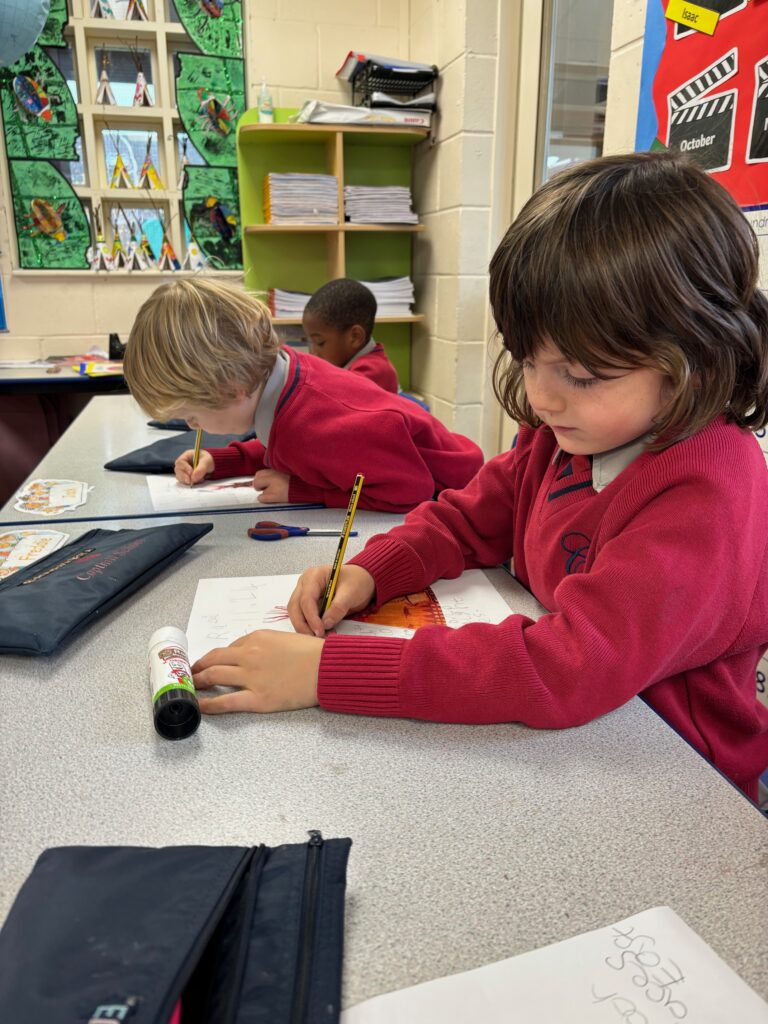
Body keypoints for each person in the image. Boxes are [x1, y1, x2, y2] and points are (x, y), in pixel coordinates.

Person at [188, 153, 768, 800]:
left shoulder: (707, 491)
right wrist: (370, 571)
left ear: (697, 356)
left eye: (580, 375)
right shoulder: (566, 437)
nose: (543, 398)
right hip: (581, 748)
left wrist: (326, 671)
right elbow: (466, 520)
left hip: (679, 781)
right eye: (528, 360)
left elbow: (565, 668)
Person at [123, 279, 482, 513]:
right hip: (410, 476)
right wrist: (223, 461)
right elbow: (290, 449)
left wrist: (303, 491)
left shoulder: (318, 427)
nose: (191, 425)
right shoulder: (284, 376)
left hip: (459, 501)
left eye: (191, 415)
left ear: (234, 391)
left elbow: (409, 490)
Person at [302, 278, 399, 393]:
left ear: (355, 337)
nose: (313, 353)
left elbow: (326, 399)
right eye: (310, 343)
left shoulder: (372, 372)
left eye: (320, 343)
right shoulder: (344, 363)